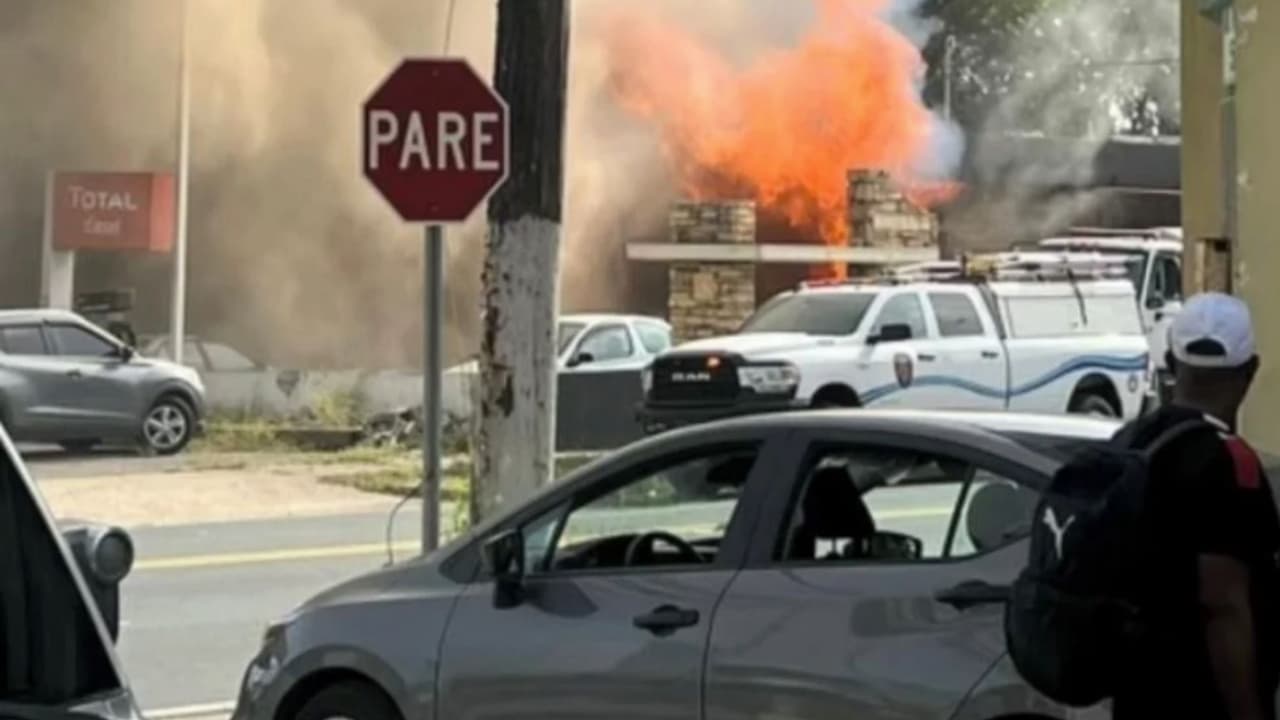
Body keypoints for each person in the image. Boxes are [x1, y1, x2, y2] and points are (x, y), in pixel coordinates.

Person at [1111, 292, 1280, 719]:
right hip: (1200, 700)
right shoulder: (1228, 461)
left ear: (1170, 363)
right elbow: (1222, 604)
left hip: (1137, 694)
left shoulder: (1130, 443)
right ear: (1252, 370)